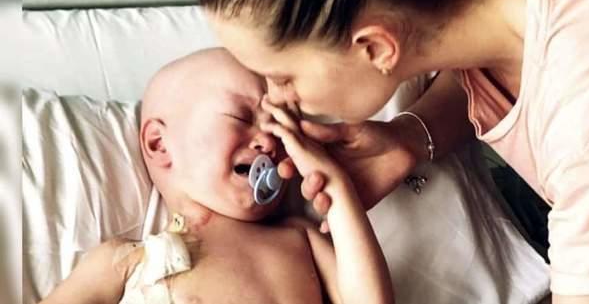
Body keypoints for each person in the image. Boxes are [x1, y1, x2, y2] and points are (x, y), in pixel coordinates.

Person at [193, 0, 589, 303]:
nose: (275, 99)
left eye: (281, 78)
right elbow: (508, 61)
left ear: (376, 48)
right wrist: (409, 138)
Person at [40, 48, 393, 304]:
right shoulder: (125, 261)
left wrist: (335, 186)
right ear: (160, 143)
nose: (269, 140)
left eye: (283, 128)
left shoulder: (299, 239)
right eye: (242, 118)